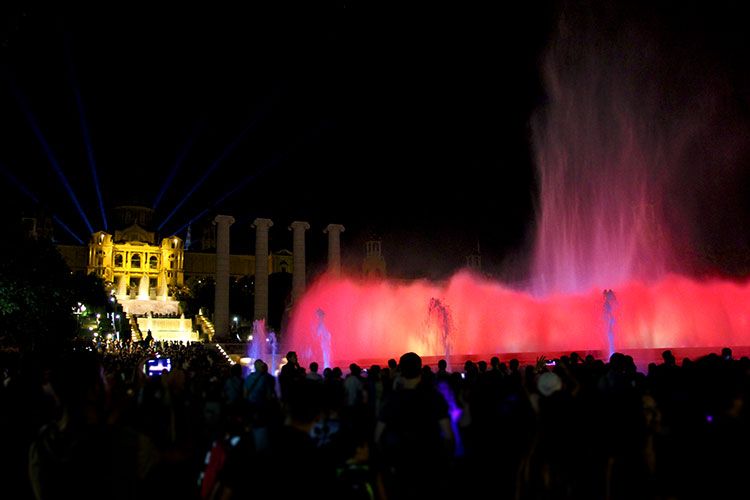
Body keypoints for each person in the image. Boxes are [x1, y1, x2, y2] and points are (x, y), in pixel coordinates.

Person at [374, 352, 454, 499]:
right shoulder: (434, 397)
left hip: (401, 466)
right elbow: (448, 435)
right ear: (421, 369)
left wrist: (387, 463)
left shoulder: (391, 399)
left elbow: (377, 437)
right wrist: (446, 462)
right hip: (430, 465)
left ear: (400, 370)